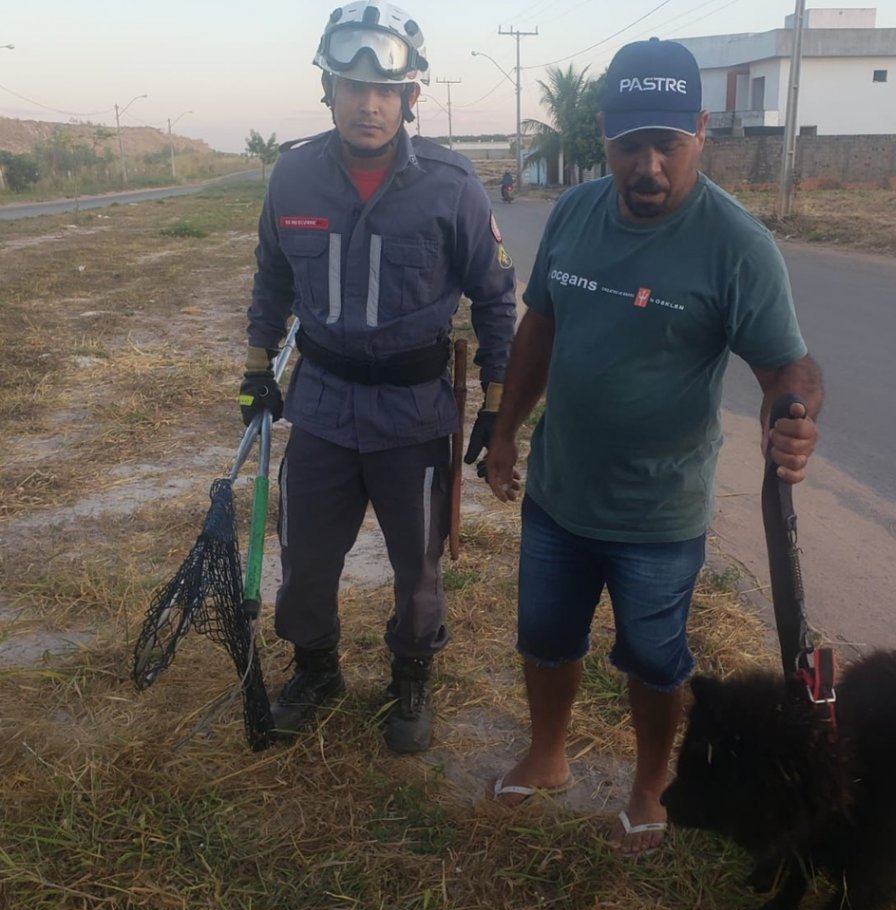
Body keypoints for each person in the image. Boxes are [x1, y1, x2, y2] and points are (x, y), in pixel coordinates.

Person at [481, 37, 823, 855]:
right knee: (545, 637)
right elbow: (541, 324)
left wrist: (796, 415)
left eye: (667, 145)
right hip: (560, 495)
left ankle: (648, 784)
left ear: (700, 130)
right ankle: (550, 753)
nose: (648, 167)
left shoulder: (737, 245)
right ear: (601, 134)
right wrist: (502, 431)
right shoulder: (573, 210)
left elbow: (785, 364)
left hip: (660, 513)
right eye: (630, 144)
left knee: (653, 659)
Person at [240, 0, 516, 753]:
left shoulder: (453, 186)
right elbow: (271, 279)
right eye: (351, 86)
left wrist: (496, 405)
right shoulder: (292, 177)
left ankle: (411, 678)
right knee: (303, 563)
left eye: (386, 91)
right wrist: (254, 365)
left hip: (413, 416)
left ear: (411, 97)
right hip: (323, 408)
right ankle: (317, 668)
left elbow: (496, 300)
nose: (369, 103)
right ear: (327, 89)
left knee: (418, 570)